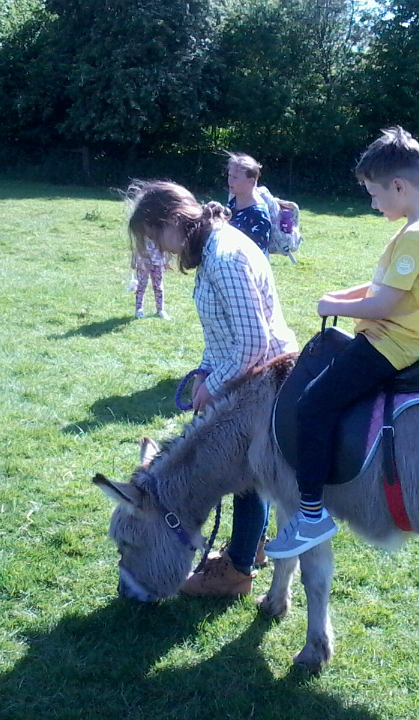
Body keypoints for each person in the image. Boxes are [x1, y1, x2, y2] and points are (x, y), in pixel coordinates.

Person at [265, 126, 419, 559]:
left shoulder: (416, 236)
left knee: (312, 405)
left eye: (374, 194)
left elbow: (383, 303)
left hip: (393, 344)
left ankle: (311, 513)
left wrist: (331, 306)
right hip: (406, 335)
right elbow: (380, 285)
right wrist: (337, 297)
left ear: (399, 186)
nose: (373, 203)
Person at [126, 180, 298, 596]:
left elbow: (254, 342)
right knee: (244, 474)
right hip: (248, 380)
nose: (159, 250)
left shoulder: (224, 257)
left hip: (265, 385)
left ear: (171, 222)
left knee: (246, 475)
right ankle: (249, 549)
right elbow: (224, 331)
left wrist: (214, 385)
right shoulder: (214, 249)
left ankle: (238, 569)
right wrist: (205, 371)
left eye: (154, 237)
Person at [225, 152, 272, 255]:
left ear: (251, 181)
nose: (230, 181)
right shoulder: (233, 202)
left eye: (235, 177)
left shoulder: (258, 214)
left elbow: (257, 255)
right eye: (230, 175)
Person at [132, 238, 169, 319]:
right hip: (143, 263)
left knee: (158, 286)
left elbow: (166, 246)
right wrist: (134, 260)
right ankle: (139, 310)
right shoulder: (142, 232)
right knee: (141, 286)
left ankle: (160, 310)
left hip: (158, 262)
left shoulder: (160, 232)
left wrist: (167, 261)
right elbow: (137, 245)